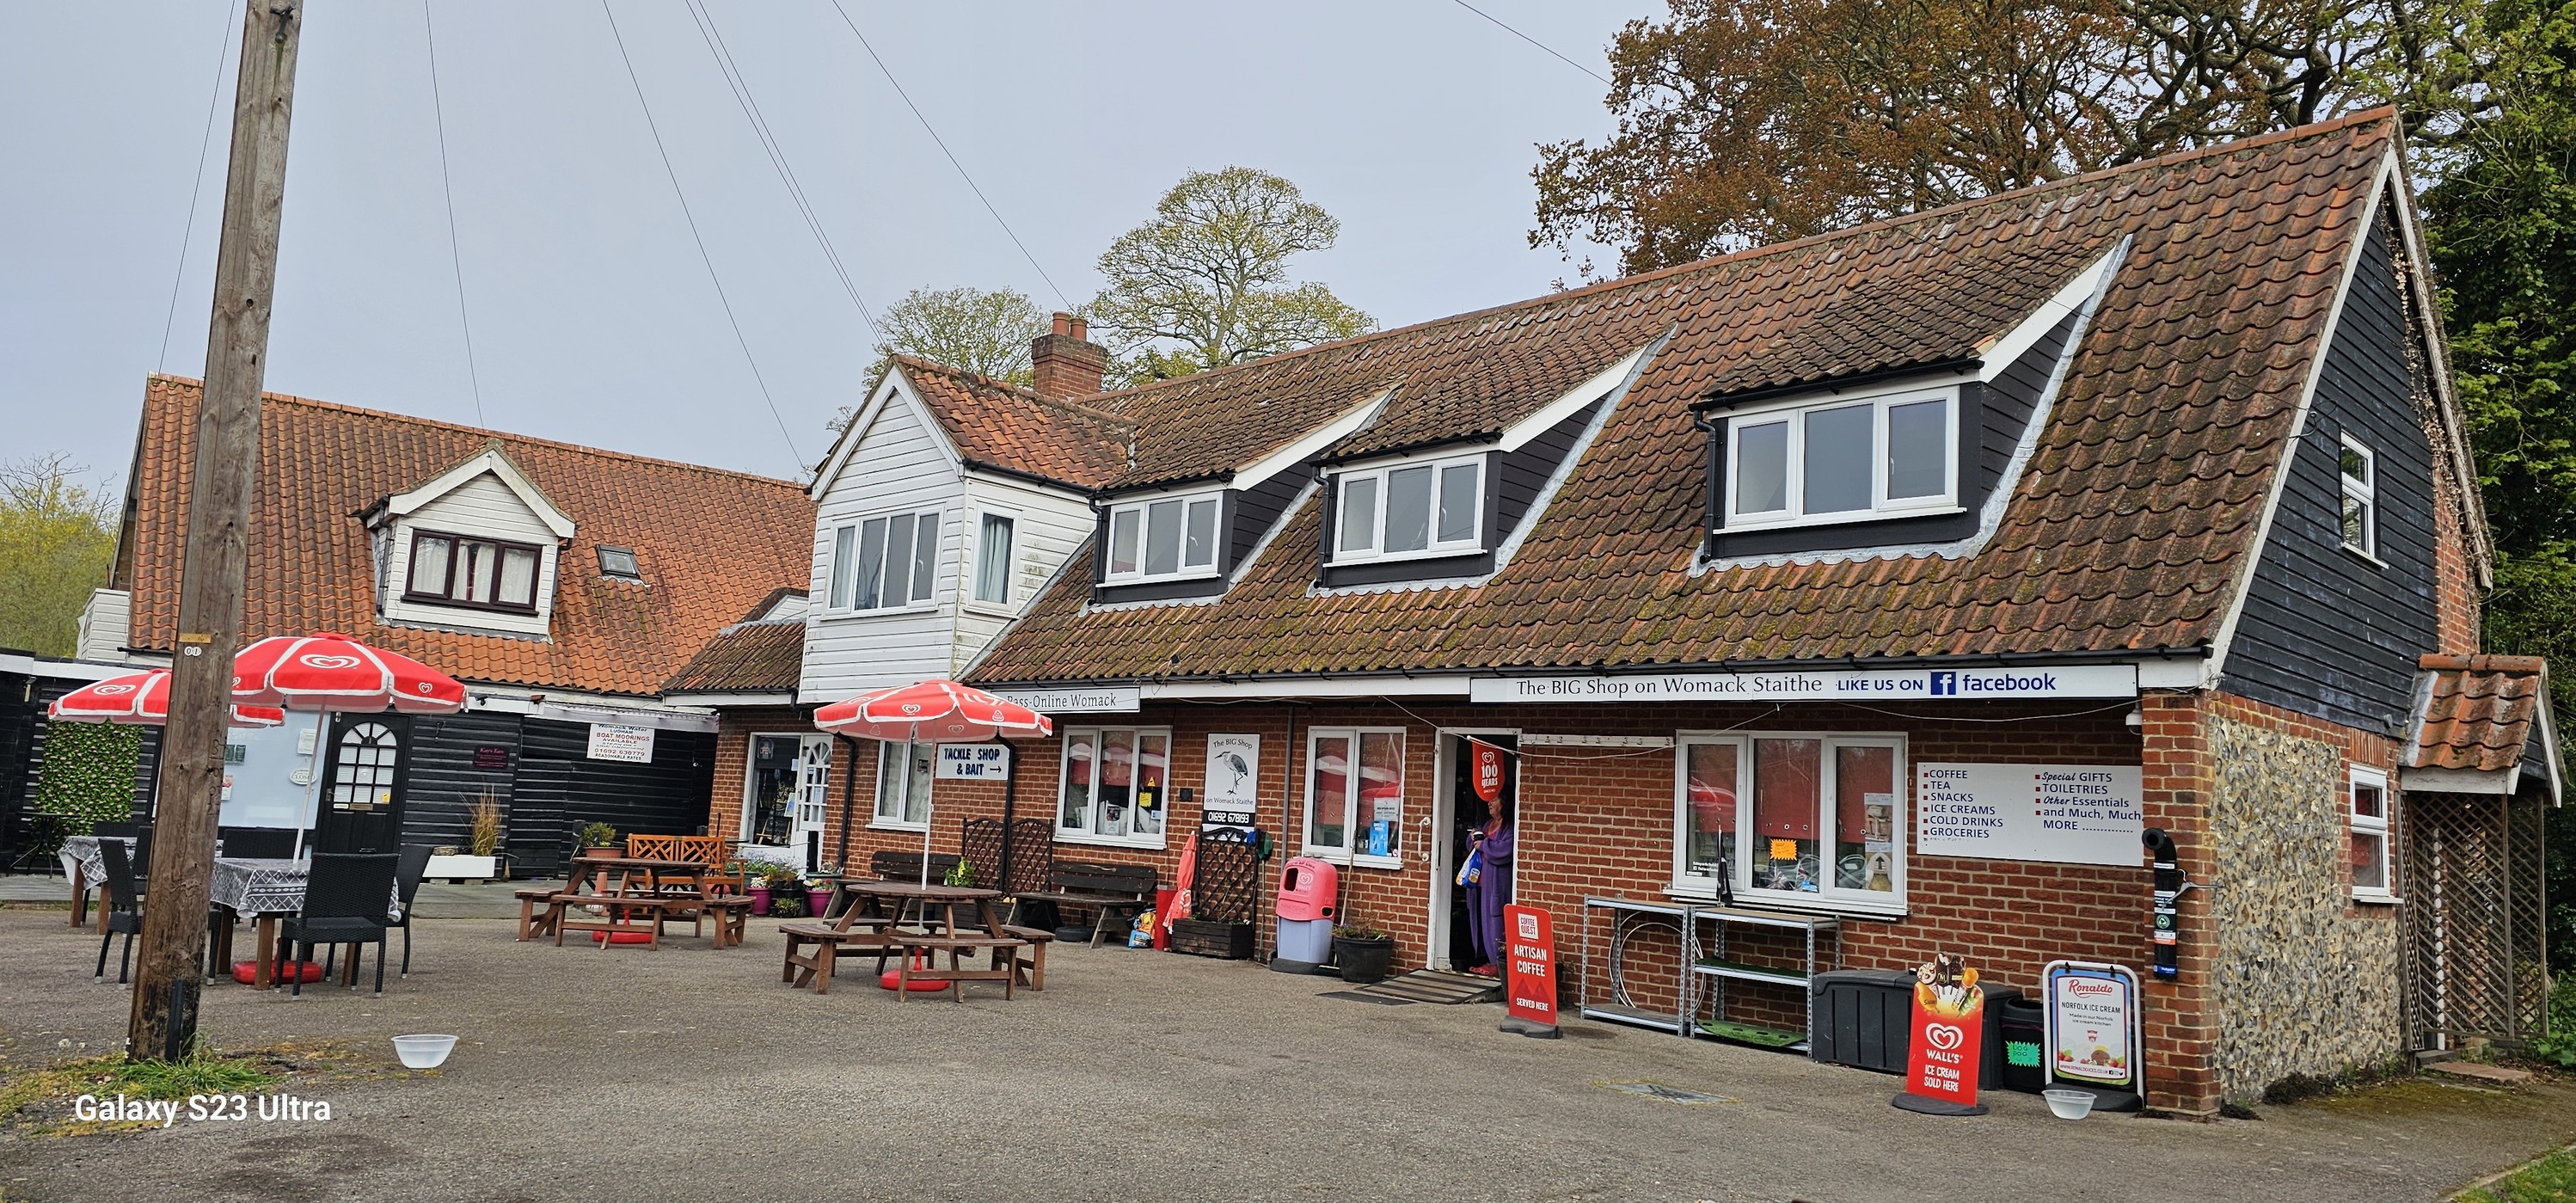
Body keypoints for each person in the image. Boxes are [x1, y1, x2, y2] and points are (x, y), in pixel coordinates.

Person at [1465, 799, 1515, 978]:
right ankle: (1486, 959)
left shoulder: (1509, 827)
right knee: (1481, 922)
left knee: (1495, 923)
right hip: (1478, 884)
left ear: (1505, 802)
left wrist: (1484, 845)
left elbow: (1506, 851)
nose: (1490, 803)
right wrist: (1474, 837)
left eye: (1495, 799)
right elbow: (1472, 846)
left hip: (1496, 886)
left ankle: (1497, 964)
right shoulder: (1488, 824)